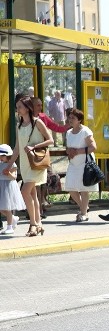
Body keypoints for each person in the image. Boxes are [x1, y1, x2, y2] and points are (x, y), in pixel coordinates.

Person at [10, 96, 52, 236]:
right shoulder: (19, 125)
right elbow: (17, 148)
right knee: (32, 195)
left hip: (37, 163)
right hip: (25, 164)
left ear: (27, 108)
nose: (18, 109)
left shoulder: (38, 123)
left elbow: (50, 140)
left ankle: (33, 224)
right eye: (17, 107)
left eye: (20, 107)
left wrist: (34, 146)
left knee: (24, 192)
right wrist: (9, 165)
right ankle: (38, 223)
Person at [63, 108, 98, 222]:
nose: (70, 119)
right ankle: (84, 206)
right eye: (69, 117)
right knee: (70, 187)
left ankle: (83, 213)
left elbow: (93, 147)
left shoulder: (85, 131)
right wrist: (69, 151)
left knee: (84, 189)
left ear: (79, 120)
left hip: (85, 163)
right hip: (73, 164)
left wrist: (77, 151)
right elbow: (68, 148)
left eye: (73, 118)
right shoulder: (68, 132)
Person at [0, 144, 25, 234]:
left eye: (2, 156)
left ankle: (9, 226)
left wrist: (8, 173)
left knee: (7, 208)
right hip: (1, 186)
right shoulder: (1, 164)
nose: (1, 158)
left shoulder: (12, 164)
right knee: (1, 208)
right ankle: (13, 218)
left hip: (8, 187)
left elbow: (14, 177)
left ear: (7, 156)